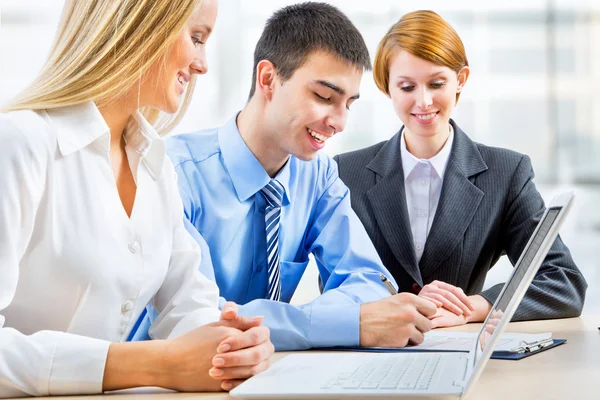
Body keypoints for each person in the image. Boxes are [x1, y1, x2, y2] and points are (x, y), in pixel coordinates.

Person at [0, 0, 273, 397]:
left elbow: (187, 302)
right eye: (196, 38)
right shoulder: (19, 144)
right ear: (139, 26)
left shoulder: (156, 168)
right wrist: (158, 364)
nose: (202, 65)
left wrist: (230, 346)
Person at [135, 2, 438, 351]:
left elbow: (367, 280)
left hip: (269, 371)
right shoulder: (173, 172)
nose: (339, 122)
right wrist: (337, 324)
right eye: (324, 96)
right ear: (268, 80)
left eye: (349, 104)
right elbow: (198, 319)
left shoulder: (318, 174)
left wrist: (318, 325)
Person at [334, 10, 587, 329]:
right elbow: (335, 283)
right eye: (407, 87)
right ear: (388, 88)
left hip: (462, 351)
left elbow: (563, 281)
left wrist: (474, 306)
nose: (423, 101)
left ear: (460, 80)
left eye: (436, 83)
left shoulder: (506, 173)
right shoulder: (346, 171)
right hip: (371, 352)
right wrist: (388, 307)